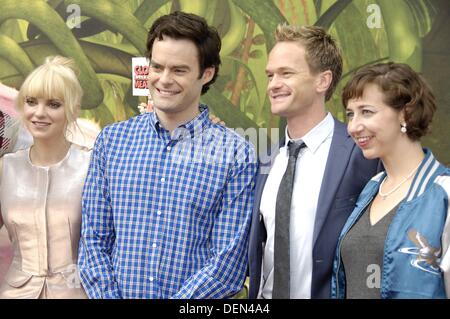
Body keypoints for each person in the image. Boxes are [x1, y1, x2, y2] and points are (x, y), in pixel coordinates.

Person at [78, 11, 258, 299]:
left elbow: (227, 265)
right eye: (157, 66)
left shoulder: (236, 155)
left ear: (207, 74)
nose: (163, 79)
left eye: (179, 70)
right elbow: (94, 241)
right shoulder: (112, 142)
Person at [248, 24, 380, 299]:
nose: (273, 84)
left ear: (322, 81)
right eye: (270, 75)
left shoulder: (362, 154)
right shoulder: (265, 159)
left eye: (286, 73)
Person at [331, 62, 450, 299]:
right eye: (350, 114)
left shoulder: (443, 193)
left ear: (405, 113)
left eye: (367, 112)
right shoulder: (372, 188)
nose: (354, 126)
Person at [0, 56, 90, 299]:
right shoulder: (5, 167)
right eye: (31, 101)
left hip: (77, 292)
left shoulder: (91, 165)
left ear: (72, 110)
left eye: (53, 104)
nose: (39, 113)